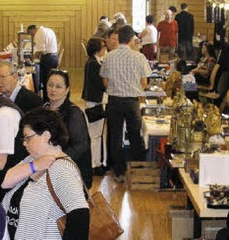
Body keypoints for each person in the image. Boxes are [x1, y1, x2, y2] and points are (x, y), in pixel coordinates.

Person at [0, 108, 89, 240]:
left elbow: (80, 216)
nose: (24, 143)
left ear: (47, 135)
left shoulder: (61, 169)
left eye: (28, 138)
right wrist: (33, 167)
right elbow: (1, 183)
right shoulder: (31, 162)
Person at [100, 25, 152, 183]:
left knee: (115, 137)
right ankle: (138, 169)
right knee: (135, 135)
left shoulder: (109, 56)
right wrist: (135, 89)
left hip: (114, 101)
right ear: (131, 39)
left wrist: (114, 89)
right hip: (132, 101)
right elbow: (144, 81)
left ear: (119, 38)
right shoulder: (139, 57)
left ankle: (119, 172)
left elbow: (105, 81)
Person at [45, 69, 92, 188]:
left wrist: (56, 160)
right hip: (48, 169)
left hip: (69, 173)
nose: (53, 89)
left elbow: (81, 145)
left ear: (67, 90)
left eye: (58, 86)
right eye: (50, 85)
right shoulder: (44, 109)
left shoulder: (74, 113)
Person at [82, 38, 108, 176]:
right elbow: (101, 83)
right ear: (98, 49)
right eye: (103, 47)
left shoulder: (93, 61)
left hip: (94, 100)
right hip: (94, 101)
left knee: (96, 134)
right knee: (95, 135)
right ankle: (94, 164)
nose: (105, 49)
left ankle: (96, 162)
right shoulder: (93, 64)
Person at [27, 25, 58, 100]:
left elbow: (41, 51)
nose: (32, 36)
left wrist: (31, 57)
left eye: (31, 34)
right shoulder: (47, 30)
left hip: (48, 59)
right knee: (49, 81)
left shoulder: (39, 33)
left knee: (45, 82)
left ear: (33, 30)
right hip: (54, 58)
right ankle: (51, 99)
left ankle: (45, 101)